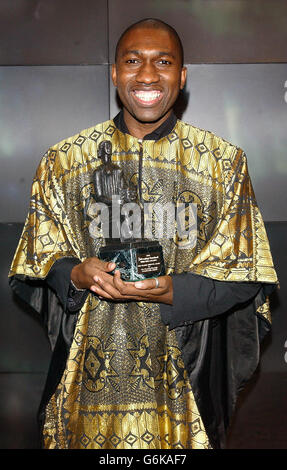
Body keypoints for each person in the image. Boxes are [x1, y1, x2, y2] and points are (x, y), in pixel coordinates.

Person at [9, 18, 278, 450]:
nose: (148, 75)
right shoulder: (64, 160)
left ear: (183, 76)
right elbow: (40, 259)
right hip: (87, 386)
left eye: (163, 62)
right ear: (114, 73)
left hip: (183, 386)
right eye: (133, 61)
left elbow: (246, 274)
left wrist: (173, 290)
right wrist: (77, 275)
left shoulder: (223, 163)